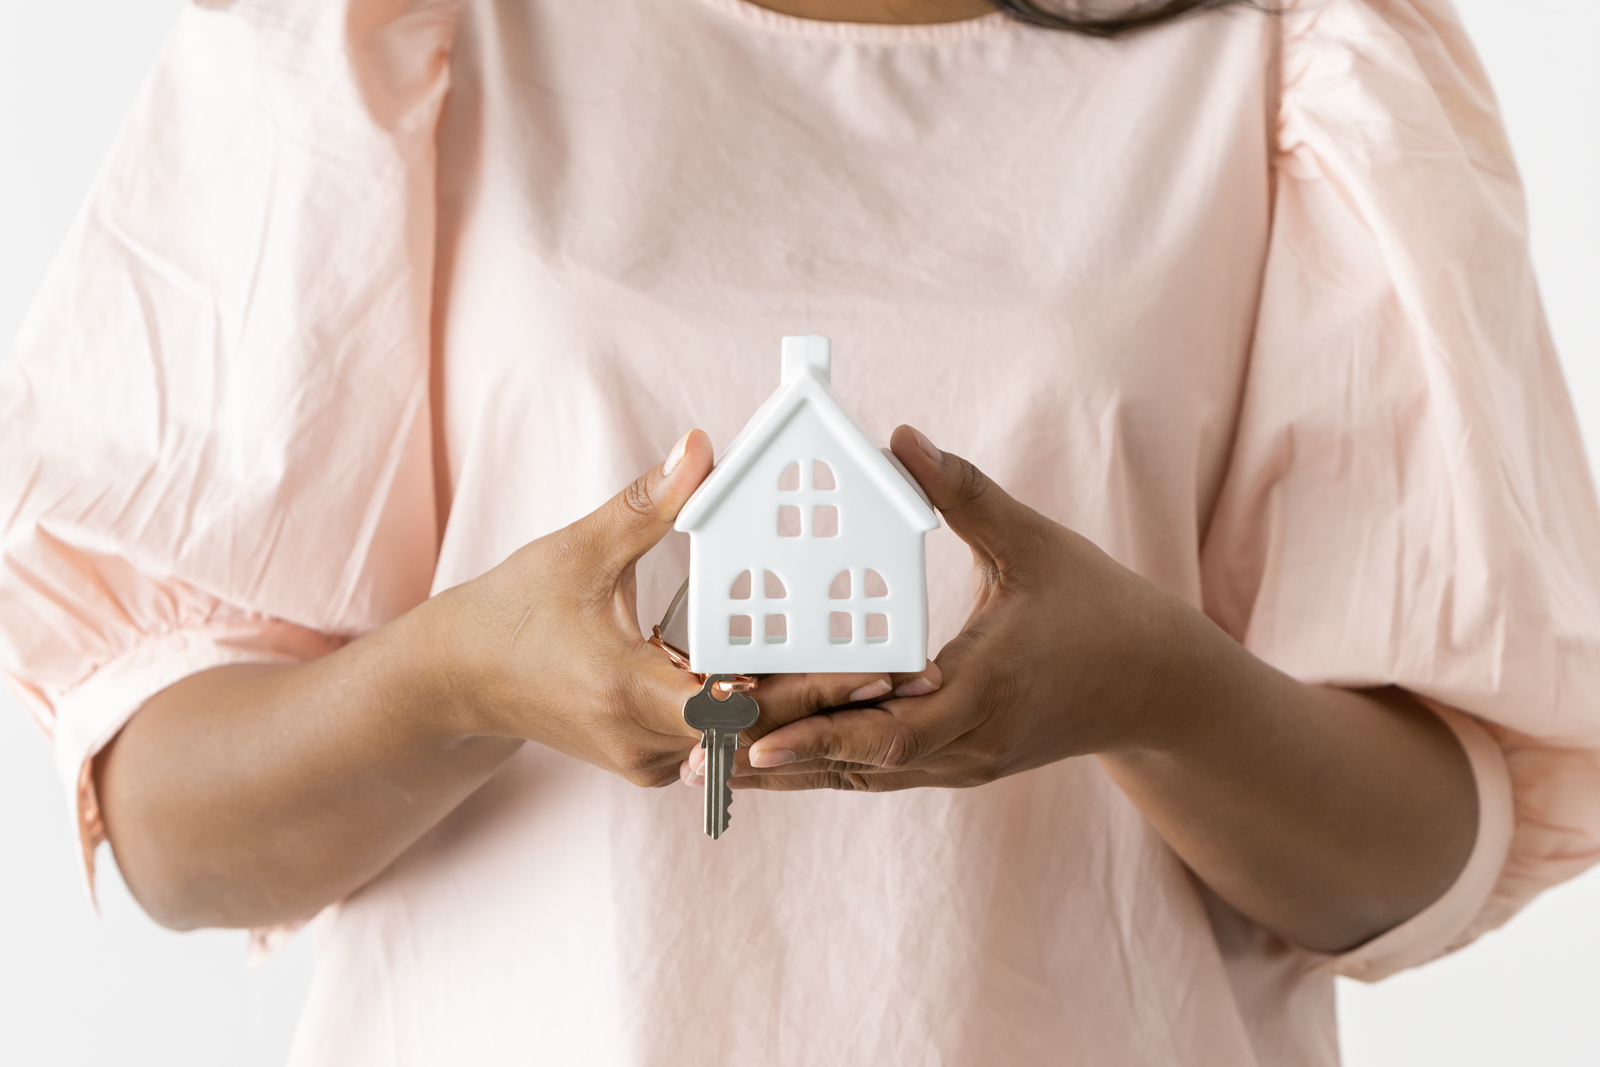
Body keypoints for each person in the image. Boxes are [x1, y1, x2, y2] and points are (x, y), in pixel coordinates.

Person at [3, 0, 1599, 1062]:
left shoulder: (1288, 46)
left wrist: (1154, 690)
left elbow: (1426, 851)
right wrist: (460, 682)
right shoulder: (391, 30)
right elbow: (166, 828)